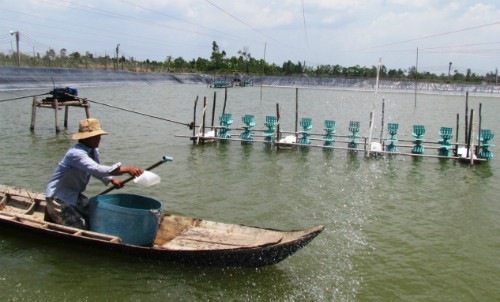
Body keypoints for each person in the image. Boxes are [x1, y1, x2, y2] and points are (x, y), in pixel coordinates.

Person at [45, 118, 143, 229]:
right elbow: (97, 169)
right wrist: (127, 169)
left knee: (96, 215)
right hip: (57, 197)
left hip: (74, 194)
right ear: (86, 138)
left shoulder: (93, 150)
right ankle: (53, 213)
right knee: (79, 226)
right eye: (96, 137)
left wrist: (111, 180)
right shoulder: (76, 153)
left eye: (99, 136)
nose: (99, 139)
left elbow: (94, 171)